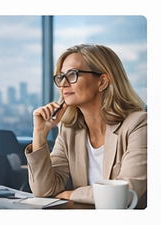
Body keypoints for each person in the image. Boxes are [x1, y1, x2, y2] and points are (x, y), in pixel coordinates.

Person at [25, 44, 147, 208]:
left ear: (102, 81)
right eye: (61, 77)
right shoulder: (69, 130)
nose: (63, 84)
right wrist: (40, 133)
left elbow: (126, 192)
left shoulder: (139, 124)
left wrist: (72, 194)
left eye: (72, 74)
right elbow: (44, 191)